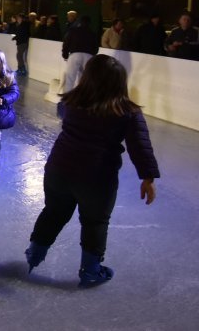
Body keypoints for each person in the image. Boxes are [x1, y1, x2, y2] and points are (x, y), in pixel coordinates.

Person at [25, 54, 159, 288]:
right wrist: (147, 178)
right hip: (96, 178)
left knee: (54, 212)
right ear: (120, 82)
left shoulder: (70, 101)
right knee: (95, 222)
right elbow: (140, 145)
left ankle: (35, 254)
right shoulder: (127, 111)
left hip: (59, 170)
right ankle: (90, 271)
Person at [61, 15, 99, 93]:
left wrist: (65, 54)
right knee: (84, 78)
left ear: (79, 22)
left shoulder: (73, 31)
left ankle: (67, 96)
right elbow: (96, 47)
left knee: (70, 77)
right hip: (88, 56)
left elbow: (66, 43)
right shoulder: (92, 33)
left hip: (75, 54)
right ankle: (82, 96)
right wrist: (92, 56)